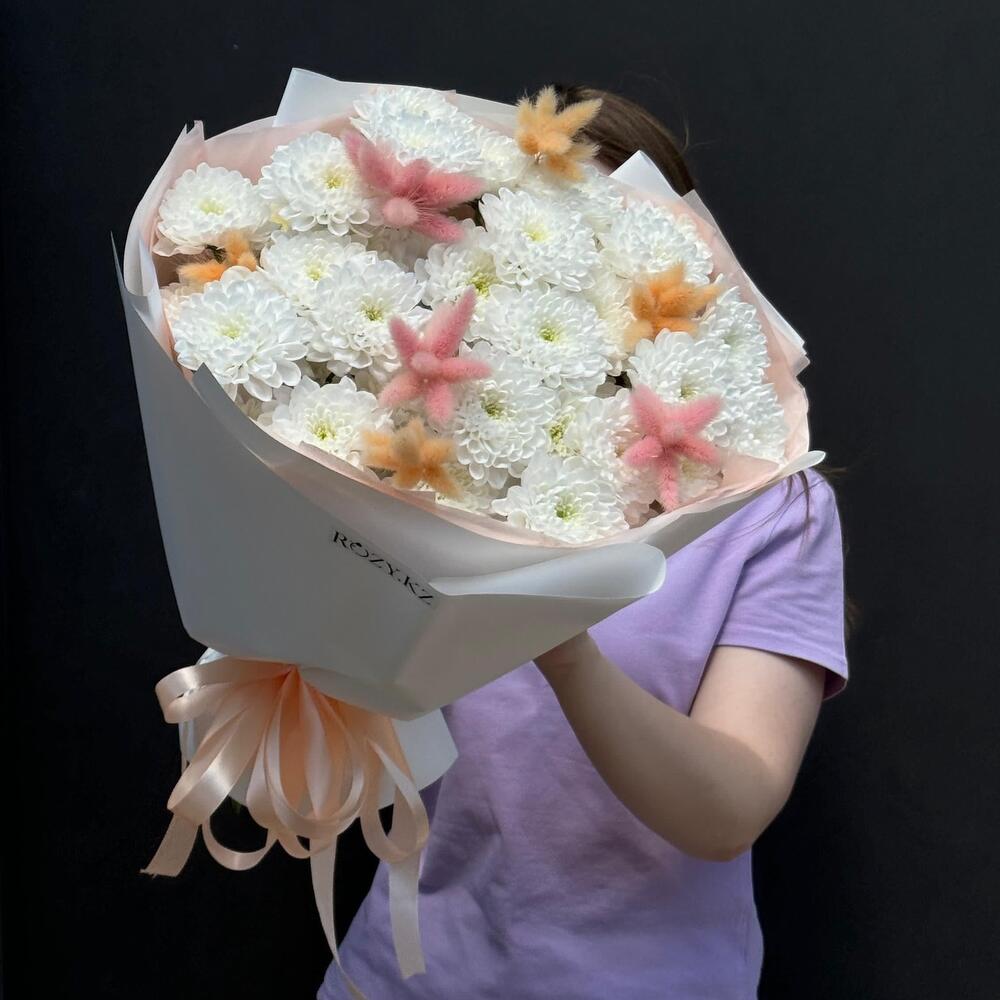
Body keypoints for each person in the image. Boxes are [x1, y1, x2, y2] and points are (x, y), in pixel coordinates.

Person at [318, 85, 850, 1000]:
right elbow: (337, 767)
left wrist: (559, 639)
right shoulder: (423, 458)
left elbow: (730, 811)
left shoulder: (772, 508)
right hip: (404, 975)